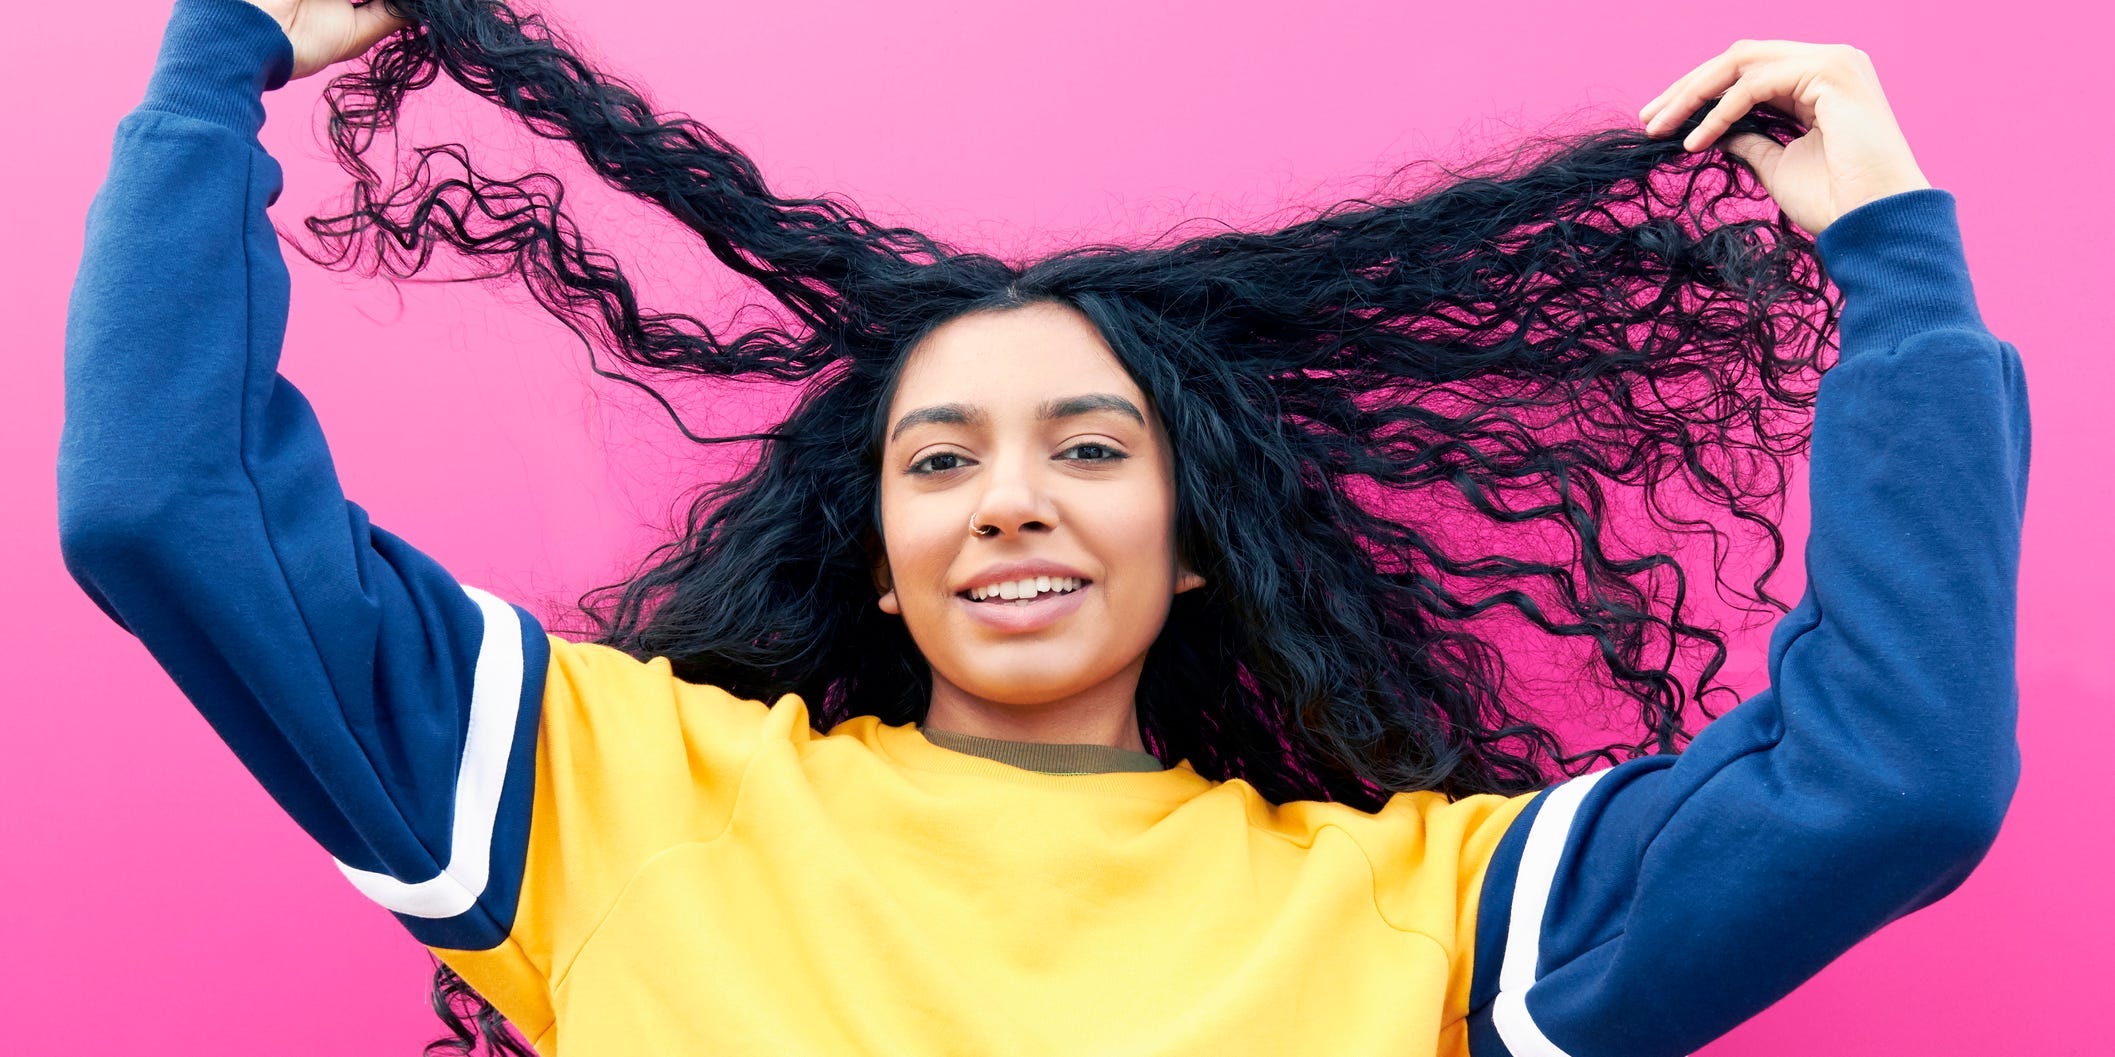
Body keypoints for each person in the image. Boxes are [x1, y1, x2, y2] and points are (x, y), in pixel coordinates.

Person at [58, 0, 2029, 1054]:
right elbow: (165, 504)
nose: (1008, 491)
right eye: (939, 458)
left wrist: (1892, 256)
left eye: (1089, 448)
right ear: (874, 540)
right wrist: (216, 56)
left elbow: (1889, 785)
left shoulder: (1420, 909)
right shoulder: (602, 795)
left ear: (1194, 542)